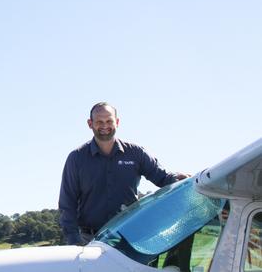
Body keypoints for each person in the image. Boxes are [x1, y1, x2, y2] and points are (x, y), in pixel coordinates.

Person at [58, 102, 189, 245]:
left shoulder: (136, 153)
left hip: (129, 237)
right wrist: (73, 240)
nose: (104, 126)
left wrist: (185, 180)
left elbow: (163, 178)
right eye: (99, 122)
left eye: (109, 121)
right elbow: (67, 203)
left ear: (117, 122)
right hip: (90, 239)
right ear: (90, 124)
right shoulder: (76, 158)